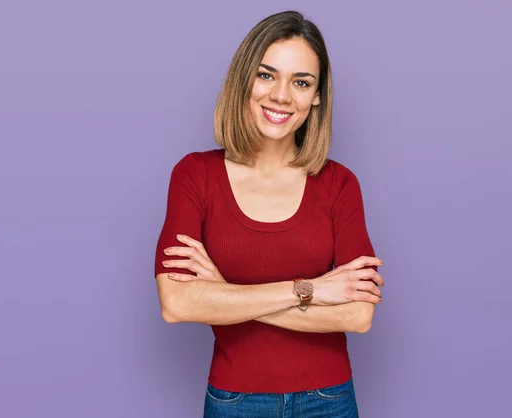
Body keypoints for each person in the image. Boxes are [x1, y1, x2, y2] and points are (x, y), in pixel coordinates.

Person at [153, 10, 384, 418]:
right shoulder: (194, 175)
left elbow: (358, 313)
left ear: (317, 96)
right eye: (266, 75)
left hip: (328, 401)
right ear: (244, 79)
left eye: (301, 82)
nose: (281, 95)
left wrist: (224, 293)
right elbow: (177, 303)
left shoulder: (339, 185)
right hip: (234, 402)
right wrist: (310, 290)